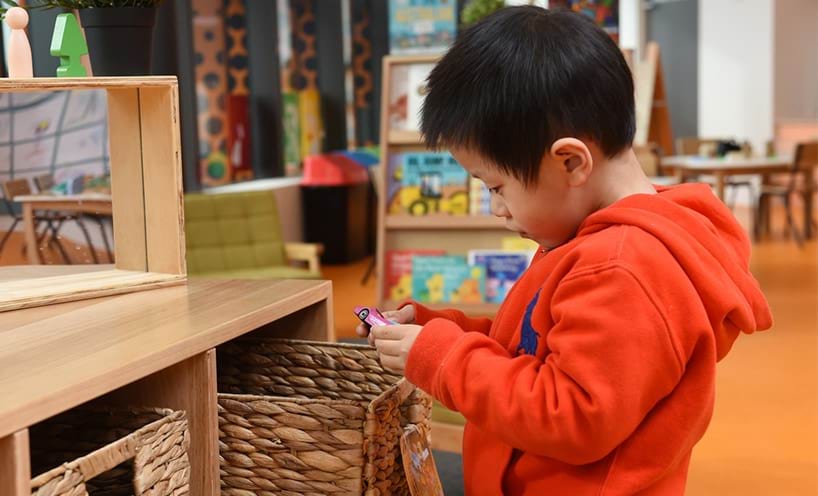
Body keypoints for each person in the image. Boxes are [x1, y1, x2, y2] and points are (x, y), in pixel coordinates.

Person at [358, 6, 772, 495]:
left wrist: (445, 359)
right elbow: (536, 348)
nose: (496, 209)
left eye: (497, 186)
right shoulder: (591, 239)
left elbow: (570, 414)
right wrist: (440, 330)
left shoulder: (619, 265)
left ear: (571, 161)